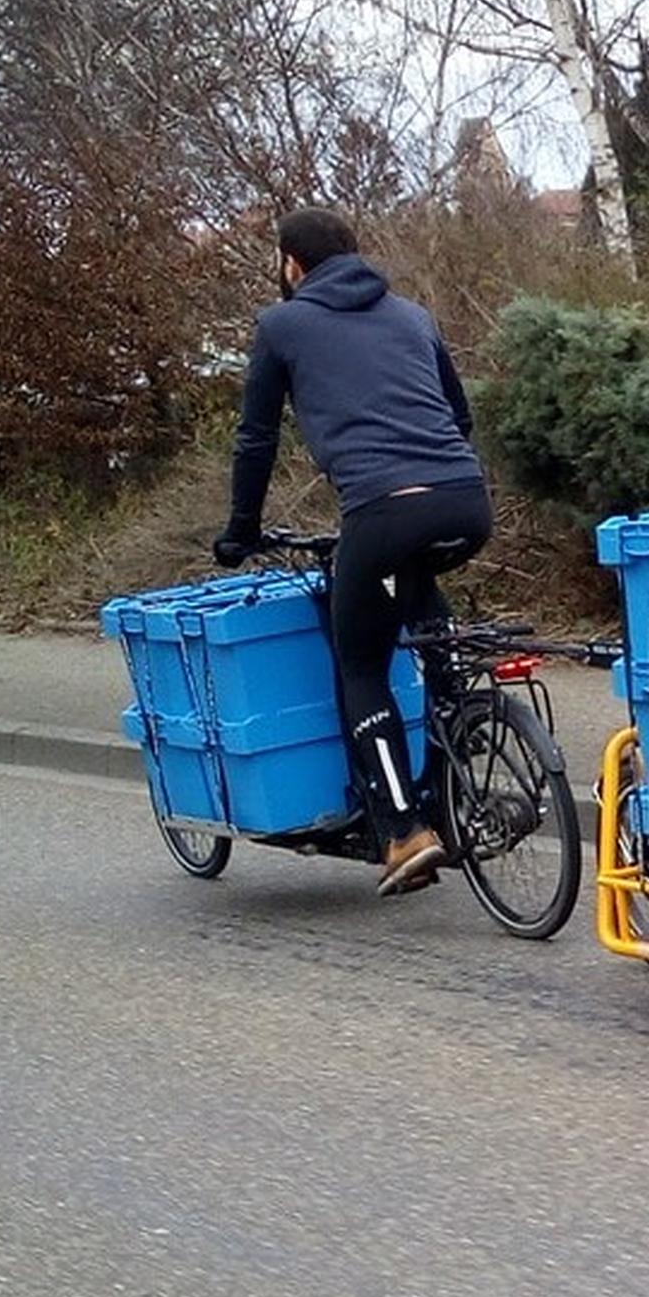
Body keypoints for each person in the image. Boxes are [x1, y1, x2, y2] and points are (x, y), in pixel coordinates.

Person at [214, 208, 493, 896]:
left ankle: (404, 830)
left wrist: (241, 530)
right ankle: (461, 719)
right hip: (465, 498)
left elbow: (257, 440)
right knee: (414, 591)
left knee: (360, 661)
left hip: (382, 511)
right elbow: (459, 418)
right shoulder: (413, 316)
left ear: (292, 265)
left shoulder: (281, 325)